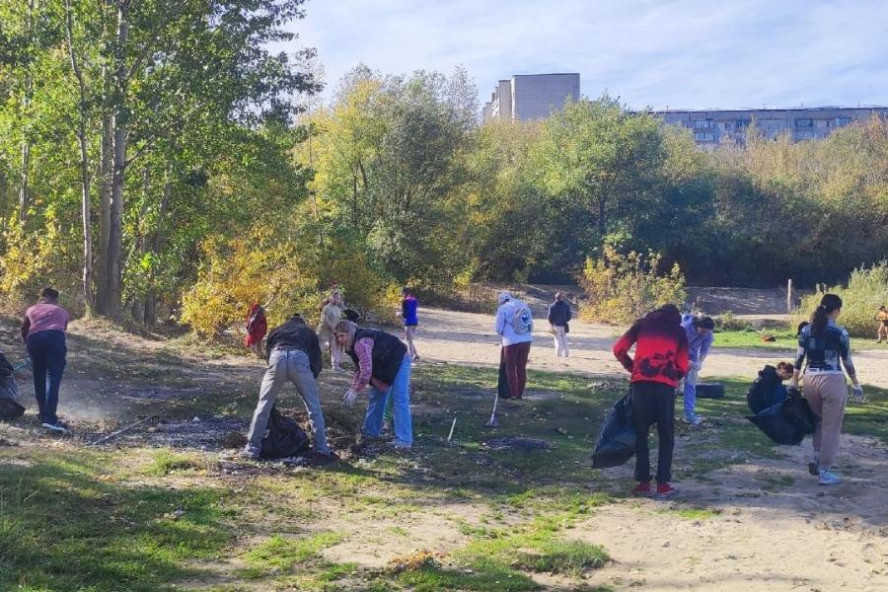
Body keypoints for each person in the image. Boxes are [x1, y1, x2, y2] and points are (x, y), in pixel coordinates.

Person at [613, 304, 689, 497]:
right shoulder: (679, 332)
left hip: (641, 384)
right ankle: (663, 483)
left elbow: (619, 348)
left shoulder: (641, 325)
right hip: (665, 386)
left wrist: (633, 368)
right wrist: (673, 376)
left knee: (641, 432)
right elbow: (682, 364)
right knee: (666, 434)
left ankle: (644, 481)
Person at [790, 294, 863, 485]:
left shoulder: (806, 330)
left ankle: (816, 457)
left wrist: (794, 380)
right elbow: (847, 361)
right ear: (836, 310)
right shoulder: (840, 332)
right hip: (832, 380)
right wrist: (856, 383)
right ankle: (825, 470)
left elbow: (798, 358)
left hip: (810, 379)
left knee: (818, 422)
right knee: (831, 427)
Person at [242, 313, 334, 461]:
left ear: (287, 322)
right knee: (313, 407)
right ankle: (321, 448)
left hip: (277, 356)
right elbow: (316, 359)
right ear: (302, 322)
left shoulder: (277, 330)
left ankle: (252, 449)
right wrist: (309, 378)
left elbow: (269, 353)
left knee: (263, 406)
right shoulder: (308, 332)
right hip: (300, 357)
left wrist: (276, 376)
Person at [335, 320, 413, 449]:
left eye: (342, 335)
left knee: (399, 398)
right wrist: (352, 387)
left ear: (349, 333)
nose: (339, 339)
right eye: (337, 336)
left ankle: (404, 440)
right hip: (385, 364)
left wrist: (356, 391)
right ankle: (370, 433)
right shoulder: (353, 345)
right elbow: (359, 368)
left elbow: (366, 371)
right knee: (377, 395)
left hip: (399, 358)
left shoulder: (361, 342)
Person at [20, 287, 69, 432]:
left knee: (39, 376)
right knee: (53, 377)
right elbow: (61, 330)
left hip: (34, 340)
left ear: (41, 298)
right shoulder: (63, 312)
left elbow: (24, 330)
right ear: (56, 299)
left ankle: (43, 414)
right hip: (55, 339)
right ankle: (50, 419)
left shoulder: (31, 309)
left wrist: (30, 346)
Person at [495, 291, 533, 400]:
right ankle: (520, 394)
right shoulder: (523, 304)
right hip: (526, 339)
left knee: (510, 368)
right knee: (521, 368)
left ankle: (513, 394)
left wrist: (504, 333)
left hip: (511, 341)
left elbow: (498, 328)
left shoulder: (502, 308)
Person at [679, 314, 715, 425]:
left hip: (693, 357)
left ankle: (689, 413)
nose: (704, 333)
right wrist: (684, 360)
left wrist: (699, 362)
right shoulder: (684, 328)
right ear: (697, 325)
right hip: (678, 354)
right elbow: (676, 345)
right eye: (702, 330)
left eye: (706, 331)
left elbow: (705, 349)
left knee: (690, 384)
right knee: (673, 383)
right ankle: (666, 411)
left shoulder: (708, 333)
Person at [317, 291, 344, 371]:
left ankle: (336, 366)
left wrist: (338, 330)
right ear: (332, 298)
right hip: (324, 331)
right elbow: (325, 320)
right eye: (337, 298)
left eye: (339, 298)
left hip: (335, 332)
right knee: (320, 348)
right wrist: (332, 327)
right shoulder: (326, 308)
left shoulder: (337, 309)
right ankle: (315, 363)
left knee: (336, 347)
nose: (339, 300)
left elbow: (338, 320)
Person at [547, 292, 572, 358]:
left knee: (558, 339)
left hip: (556, 325)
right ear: (562, 298)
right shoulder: (566, 305)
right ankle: (566, 353)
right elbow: (569, 315)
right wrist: (566, 320)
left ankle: (558, 353)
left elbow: (550, 316)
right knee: (564, 339)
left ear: (555, 298)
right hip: (564, 324)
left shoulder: (552, 306)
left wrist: (551, 323)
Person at [401, 287, 420, 361]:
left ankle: (411, 357)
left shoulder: (404, 301)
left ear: (404, 293)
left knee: (409, 340)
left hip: (408, 322)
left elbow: (404, 313)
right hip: (415, 321)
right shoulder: (415, 299)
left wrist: (399, 314)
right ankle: (416, 354)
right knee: (409, 339)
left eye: (402, 293)